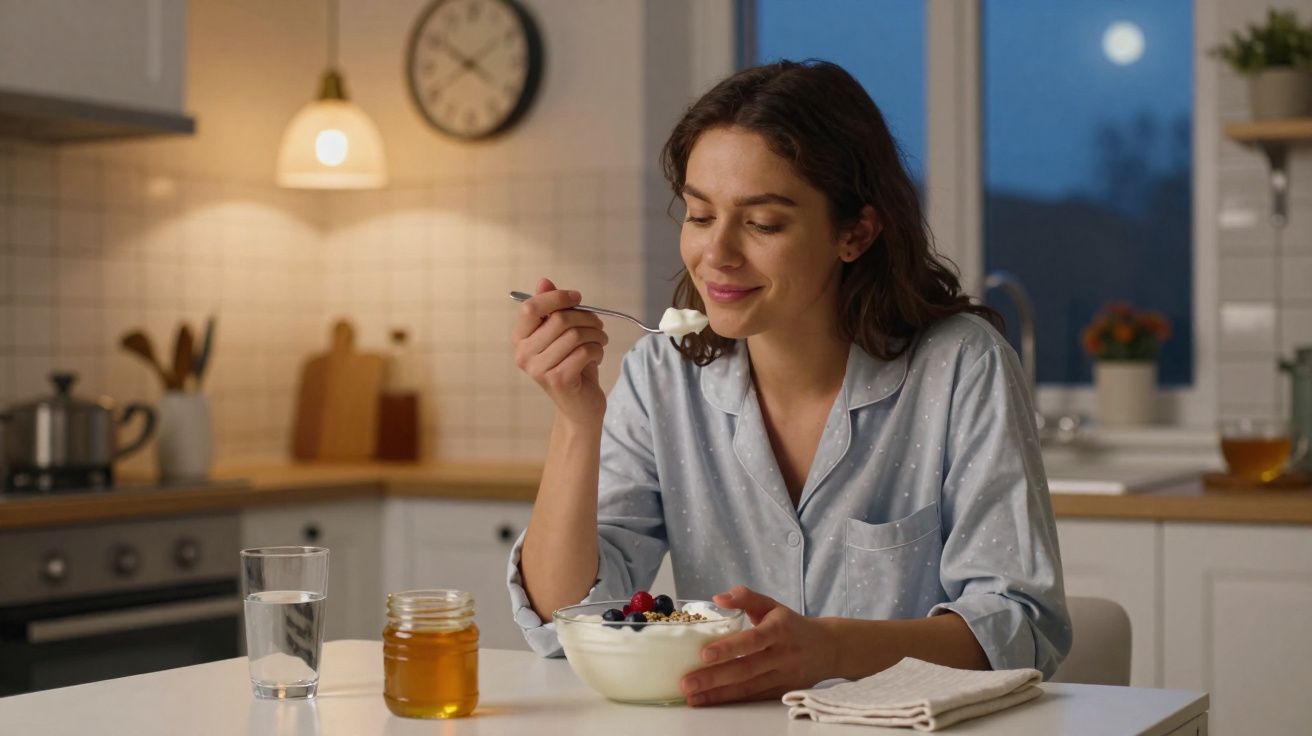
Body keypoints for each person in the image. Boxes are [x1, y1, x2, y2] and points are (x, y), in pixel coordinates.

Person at [506, 59, 1070, 706]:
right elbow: (563, 620)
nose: (716, 253)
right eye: (698, 215)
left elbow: (1021, 627)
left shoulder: (962, 369)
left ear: (854, 232)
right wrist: (576, 420)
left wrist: (833, 651)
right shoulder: (662, 377)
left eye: (763, 223)